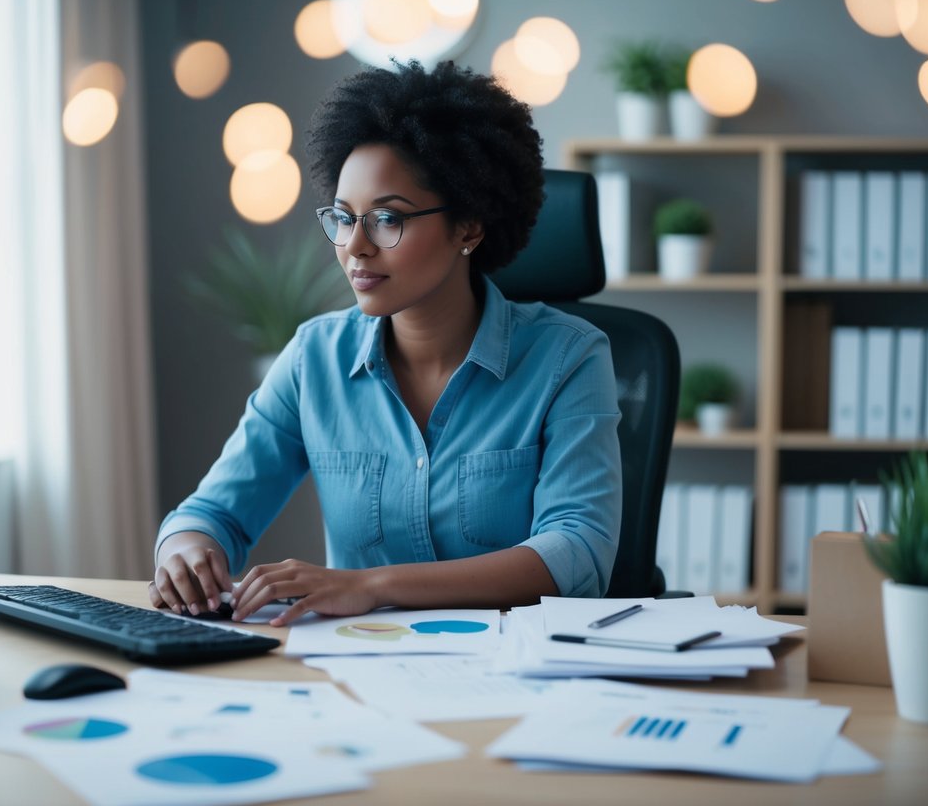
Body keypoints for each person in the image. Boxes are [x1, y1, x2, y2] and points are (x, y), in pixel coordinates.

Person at [150, 60, 621, 626]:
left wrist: (371, 585)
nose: (356, 247)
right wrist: (186, 551)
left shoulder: (568, 357)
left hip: (516, 670)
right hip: (360, 672)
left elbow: (575, 550)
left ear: (468, 228)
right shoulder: (313, 358)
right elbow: (212, 512)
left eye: (386, 219)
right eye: (343, 219)